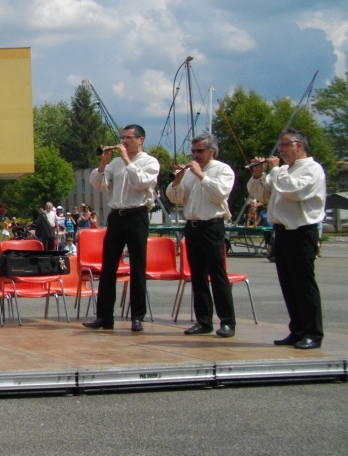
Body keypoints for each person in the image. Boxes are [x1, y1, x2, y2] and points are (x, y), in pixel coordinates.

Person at [249, 129, 326, 349]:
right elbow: (263, 195)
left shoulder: (312, 169)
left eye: (284, 145)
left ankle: (313, 332)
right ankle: (298, 329)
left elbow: (294, 191)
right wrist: (258, 175)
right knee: (288, 284)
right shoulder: (283, 171)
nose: (280, 150)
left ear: (298, 145)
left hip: (302, 231)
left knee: (304, 284)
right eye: (280, 146)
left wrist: (275, 170)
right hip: (282, 232)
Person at [84, 123, 159, 333]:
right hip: (116, 216)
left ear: (140, 140)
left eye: (129, 138)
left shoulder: (150, 162)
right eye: (123, 138)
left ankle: (137, 317)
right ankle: (104, 316)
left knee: (137, 267)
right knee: (108, 267)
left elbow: (140, 183)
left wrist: (126, 159)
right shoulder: (115, 163)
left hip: (137, 215)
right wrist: (103, 162)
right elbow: (99, 184)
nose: (124, 141)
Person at [167, 132, 236, 337]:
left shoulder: (222, 170)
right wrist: (177, 180)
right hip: (193, 226)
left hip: (212, 226)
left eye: (200, 151)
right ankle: (203, 321)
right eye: (193, 151)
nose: (195, 155)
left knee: (217, 274)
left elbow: (219, 195)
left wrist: (201, 175)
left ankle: (227, 322)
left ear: (211, 151)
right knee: (197, 276)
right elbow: (175, 198)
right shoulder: (188, 173)